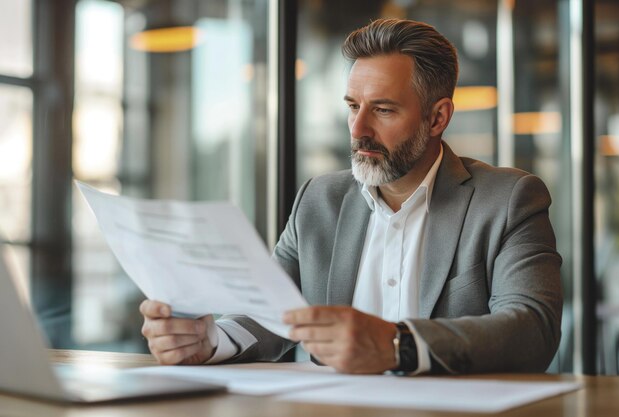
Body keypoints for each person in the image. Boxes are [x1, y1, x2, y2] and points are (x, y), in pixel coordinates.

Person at [140, 18, 562, 375]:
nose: (357, 129)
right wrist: (211, 340)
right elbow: (274, 313)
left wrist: (399, 346)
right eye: (351, 106)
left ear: (437, 118)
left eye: (382, 109)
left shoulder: (508, 199)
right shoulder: (319, 199)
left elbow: (532, 328)